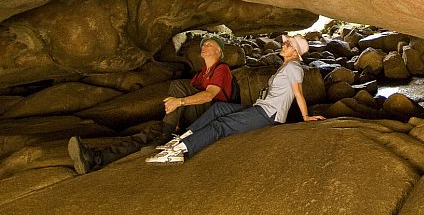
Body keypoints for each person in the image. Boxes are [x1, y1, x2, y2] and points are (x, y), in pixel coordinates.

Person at [145, 34, 325, 164]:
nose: (283, 45)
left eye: (287, 45)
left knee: (221, 125)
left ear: (294, 51)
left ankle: (179, 151)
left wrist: (305, 117)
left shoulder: (294, 67)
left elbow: (298, 93)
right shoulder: (286, 66)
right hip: (260, 108)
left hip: (269, 114)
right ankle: (180, 138)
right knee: (218, 109)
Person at [68, 35, 233, 174]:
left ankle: (166, 134)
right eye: (203, 44)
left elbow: (209, 95)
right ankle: (96, 157)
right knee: (149, 132)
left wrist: (179, 102)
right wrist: (176, 117)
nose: (204, 47)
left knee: (177, 86)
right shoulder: (200, 75)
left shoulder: (221, 69)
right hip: (192, 117)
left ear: (219, 51)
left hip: (211, 114)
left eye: (209, 44)